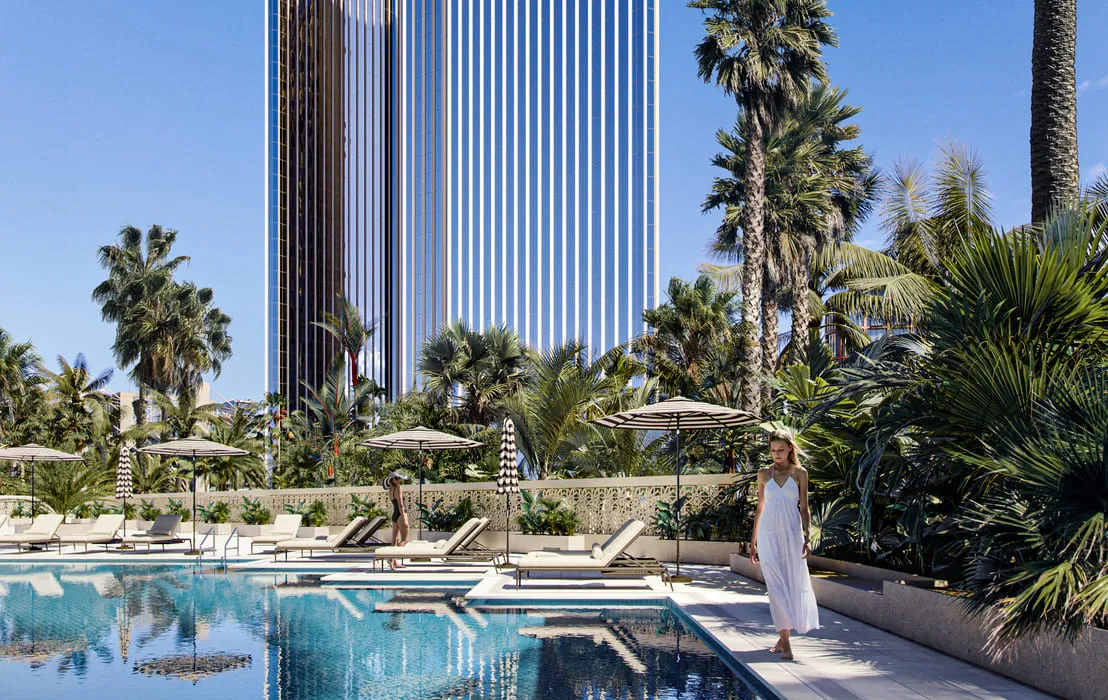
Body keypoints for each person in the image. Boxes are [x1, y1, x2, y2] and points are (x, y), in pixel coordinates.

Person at [749, 429, 819, 660]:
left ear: (790, 448)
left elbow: (804, 508)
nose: (776, 454)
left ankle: (782, 638)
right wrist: (753, 541)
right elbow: (760, 507)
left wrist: (807, 536)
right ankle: (786, 641)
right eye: (772, 450)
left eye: (780, 450)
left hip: (791, 534)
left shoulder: (800, 473)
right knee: (775, 586)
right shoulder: (763, 474)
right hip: (768, 535)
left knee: (792, 583)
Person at [385, 471, 410, 569]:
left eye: (399, 478)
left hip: (394, 514)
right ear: (392, 480)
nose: (399, 480)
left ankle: (393, 561)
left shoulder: (390, 490)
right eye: (396, 479)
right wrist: (403, 515)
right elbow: (400, 503)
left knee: (395, 540)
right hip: (400, 513)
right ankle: (392, 558)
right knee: (405, 540)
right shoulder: (399, 488)